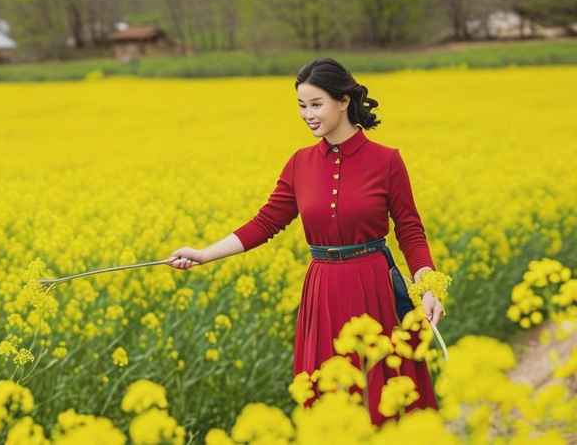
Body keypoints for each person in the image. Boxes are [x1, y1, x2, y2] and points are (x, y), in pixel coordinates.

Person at [166, 57, 445, 426]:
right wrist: (204, 254)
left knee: (384, 396)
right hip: (323, 291)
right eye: (301, 105)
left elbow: (410, 230)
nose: (307, 114)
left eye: (316, 104)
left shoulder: (386, 161)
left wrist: (428, 286)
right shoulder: (299, 164)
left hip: (374, 288)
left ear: (343, 101)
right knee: (328, 399)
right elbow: (265, 223)